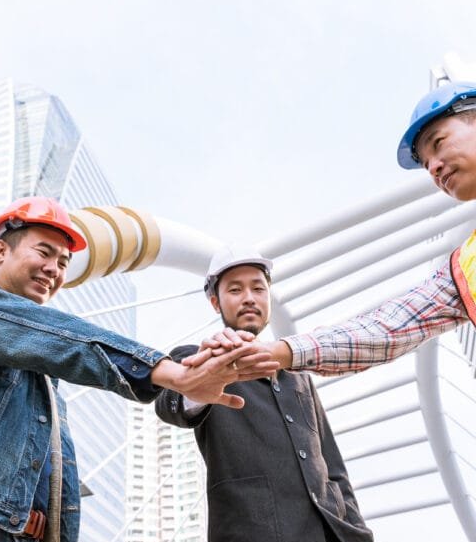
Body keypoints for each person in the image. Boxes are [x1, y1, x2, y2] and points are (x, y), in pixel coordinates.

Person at [0, 196, 277, 542]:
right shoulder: (27, 330)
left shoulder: (39, 361)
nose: (54, 269)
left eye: (63, 262)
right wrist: (171, 373)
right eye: (44, 252)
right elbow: (66, 339)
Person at [186, 81, 476, 376]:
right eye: (426, 164)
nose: (434, 168)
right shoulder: (465, 268)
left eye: (438, 142)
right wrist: (276, 351)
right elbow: (385, 331)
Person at [154, 245, 390, 542]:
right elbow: (170, 403)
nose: (248, 297)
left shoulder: (298, 375)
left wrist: (361, 536)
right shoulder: (196, 358)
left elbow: (334, 468)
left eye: (258, 288)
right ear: (216, 303)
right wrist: (203, 379)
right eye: (235, 289)